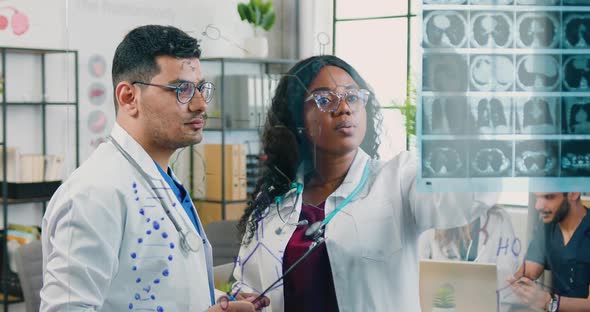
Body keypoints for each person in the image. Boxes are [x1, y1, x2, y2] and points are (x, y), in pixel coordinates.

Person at [231, 55, 494, 311]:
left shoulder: (399, 178)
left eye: (353, 97)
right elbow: (247, 281)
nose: (344, 108)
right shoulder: (276, 198)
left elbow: (469, 197)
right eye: (325, 99)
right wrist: (240, 300)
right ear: (297, 118)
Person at [40, 25, 268, 312]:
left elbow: (151, 284)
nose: (200, 105)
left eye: (201, 89)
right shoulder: (94, 194)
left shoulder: (158, 177)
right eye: (182, 90)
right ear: (128, 98)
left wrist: (218, 300)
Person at [508, 192, 590, 311]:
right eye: (537, 197)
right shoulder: (547, 226)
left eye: (549, 197)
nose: (538, 206)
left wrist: (549, 302)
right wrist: (512, 278)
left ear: (573, 193)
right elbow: (529, 272)